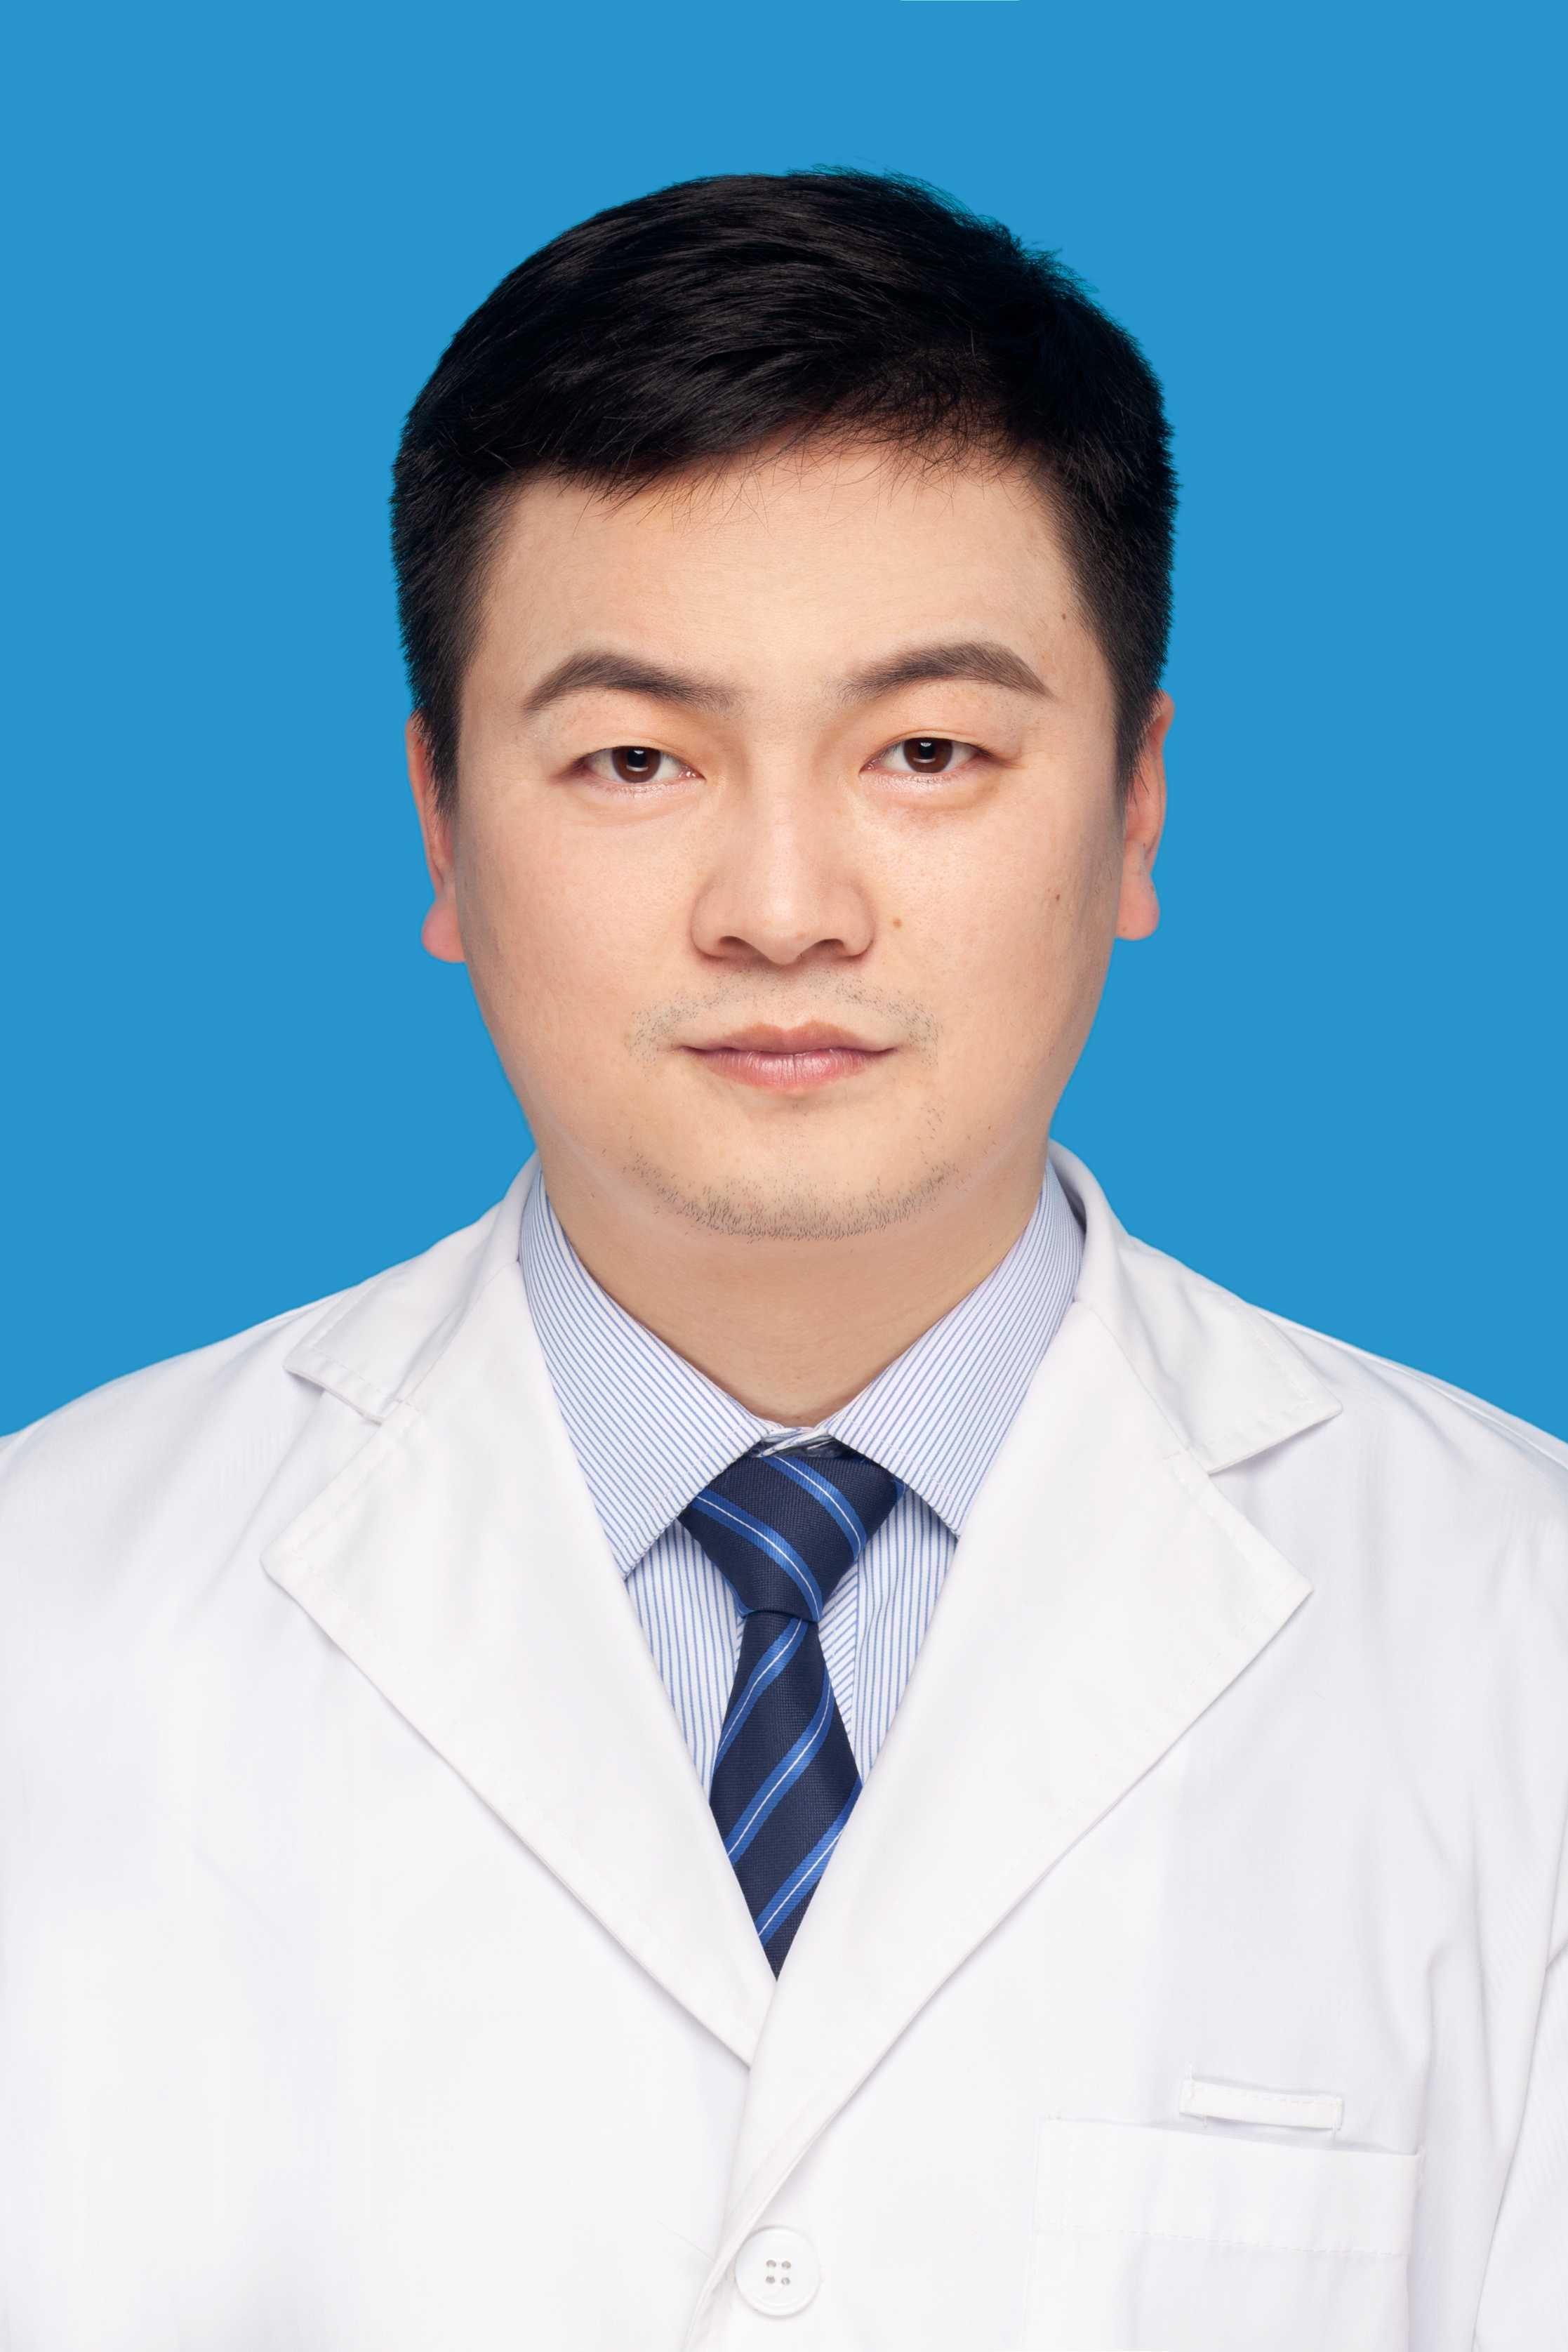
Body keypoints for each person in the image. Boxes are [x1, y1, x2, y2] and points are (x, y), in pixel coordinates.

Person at [1, 167, 1562, 2352]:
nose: (782, 907)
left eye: (926, 752)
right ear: (441, 821)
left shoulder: (1515, 1638)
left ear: (1133, 809)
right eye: (634, 757)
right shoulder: (46, 1613)